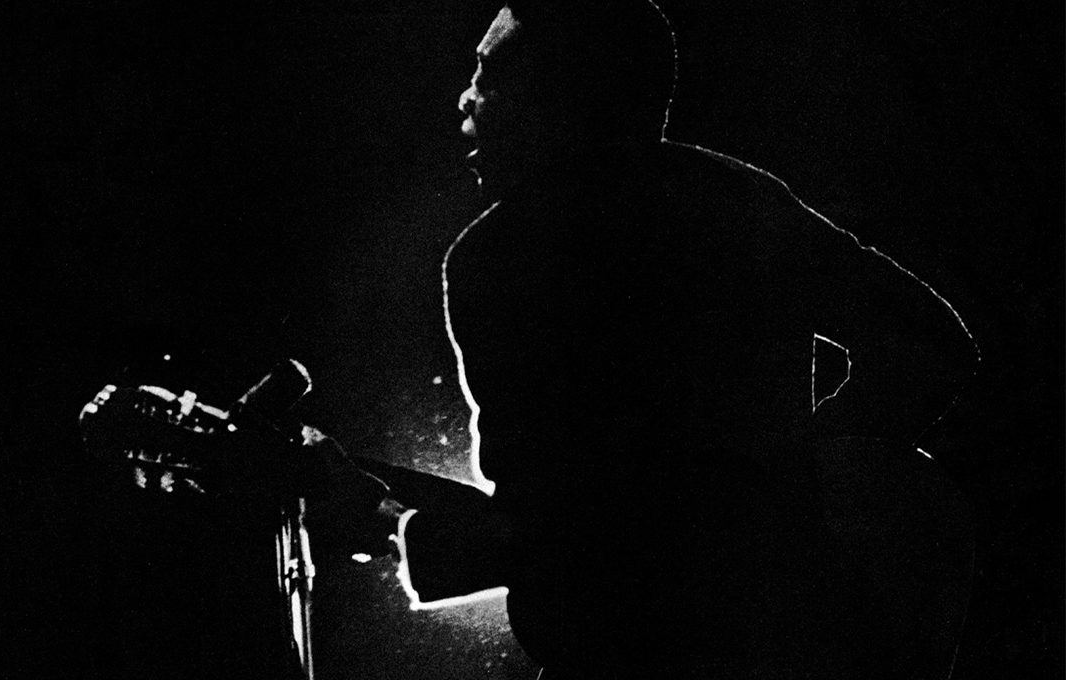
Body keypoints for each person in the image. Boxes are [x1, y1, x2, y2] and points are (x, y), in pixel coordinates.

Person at [327, 1, 981, 678]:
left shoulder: (499, 258)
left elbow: (555, 526)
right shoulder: (738, 200)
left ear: (557, 98)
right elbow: (930, 346)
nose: (466, 100)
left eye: (487, 76)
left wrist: (383, 516)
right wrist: (795, 480)